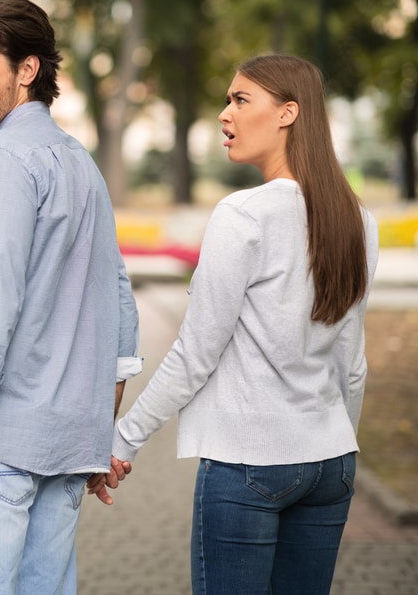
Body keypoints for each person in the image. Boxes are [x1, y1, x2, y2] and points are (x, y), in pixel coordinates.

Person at [93, 54, 379, 595]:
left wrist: (122, 440)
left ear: (287, 113)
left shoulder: (243, 215)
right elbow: (353, 364)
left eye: (241, 100)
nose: (225, 114)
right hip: (331, 463)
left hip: (249, 461)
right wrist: (337, 444)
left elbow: (195, 355)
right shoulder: (358, 219)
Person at [0, 0, 141, 594]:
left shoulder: (4, 160)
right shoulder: (77, 161)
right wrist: (99, 428)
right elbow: (118, 305)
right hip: (69, 448)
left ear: (27, 70)